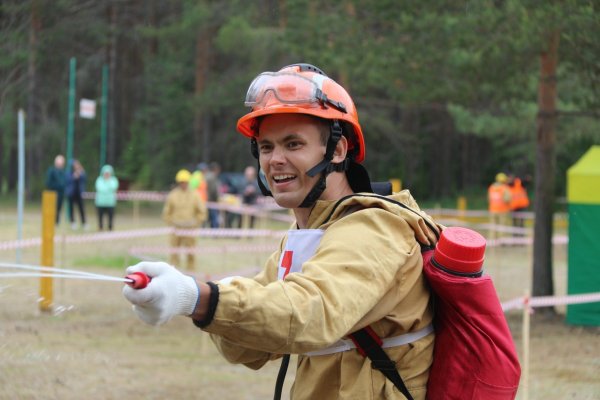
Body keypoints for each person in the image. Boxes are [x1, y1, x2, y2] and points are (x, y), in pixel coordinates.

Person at [123, 63, 441, 399]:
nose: (275, 159)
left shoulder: (375, 228)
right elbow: (248, 349)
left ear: (337, 150)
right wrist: (190, 301)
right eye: (266, 147)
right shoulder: (308, 234)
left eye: (293, 144)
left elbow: (310, 313)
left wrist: (197, 297)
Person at [162, 169, 207, 271]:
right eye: (181, 182)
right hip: (176, 230)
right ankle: (173, 272)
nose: (183, 184)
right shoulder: (172, 195)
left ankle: (191, 273)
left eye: (185, 182)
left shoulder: (195, 195)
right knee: (174, 253)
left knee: (191, 253)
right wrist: (172, 223)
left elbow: (202, 212)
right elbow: (166, 213)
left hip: (190, 230)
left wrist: (196, 223)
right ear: (178, 182)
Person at [487, 172, 512, 241]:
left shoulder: (491, 187)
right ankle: (501, 240)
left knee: (493, 226)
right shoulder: (504, 188)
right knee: (502, 226)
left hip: (493, 210)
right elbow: (507, 199)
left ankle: (492, 240)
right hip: (502, 210)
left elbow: (489, 198)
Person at [94, 164, 119, 231]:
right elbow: (100, 189)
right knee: (100, 216)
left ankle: (110, 228)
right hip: (100, 202)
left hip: (110, 202)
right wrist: (108, 189)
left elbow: (114, 187)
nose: (107, 174)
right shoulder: (99, 180)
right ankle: (100, 227)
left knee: (110, 216)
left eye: (108, 173)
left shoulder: (113, 180)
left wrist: (107, 186)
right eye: (106, 173)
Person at [65, 159, 87, 230]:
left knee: (81, 209)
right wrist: (74, 177)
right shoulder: (69, 173)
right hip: (71, 193)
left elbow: (84, 179)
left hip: (79, 193)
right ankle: (72, 222)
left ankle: (84, 223)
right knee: (71, 209)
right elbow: (67, 181)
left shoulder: (81, 172)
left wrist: (80, 173)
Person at [45, 154, 67, 224]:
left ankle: (56, 221)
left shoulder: (63, 172)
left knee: (58, 208)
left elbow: (64, 182)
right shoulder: (51, 171)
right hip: (52, 193)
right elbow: (48, 183)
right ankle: (52, 221)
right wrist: (59, 186)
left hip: (60, 194)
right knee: (52, 209)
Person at [205, 162, 221, 228]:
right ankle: (215, 233)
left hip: (205, 200)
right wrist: (218, 199)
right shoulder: (212, 177)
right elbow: (214, 190)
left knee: (206, 218)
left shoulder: (205, 175)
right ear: (215, 169)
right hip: (212, 201)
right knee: (214, 218)